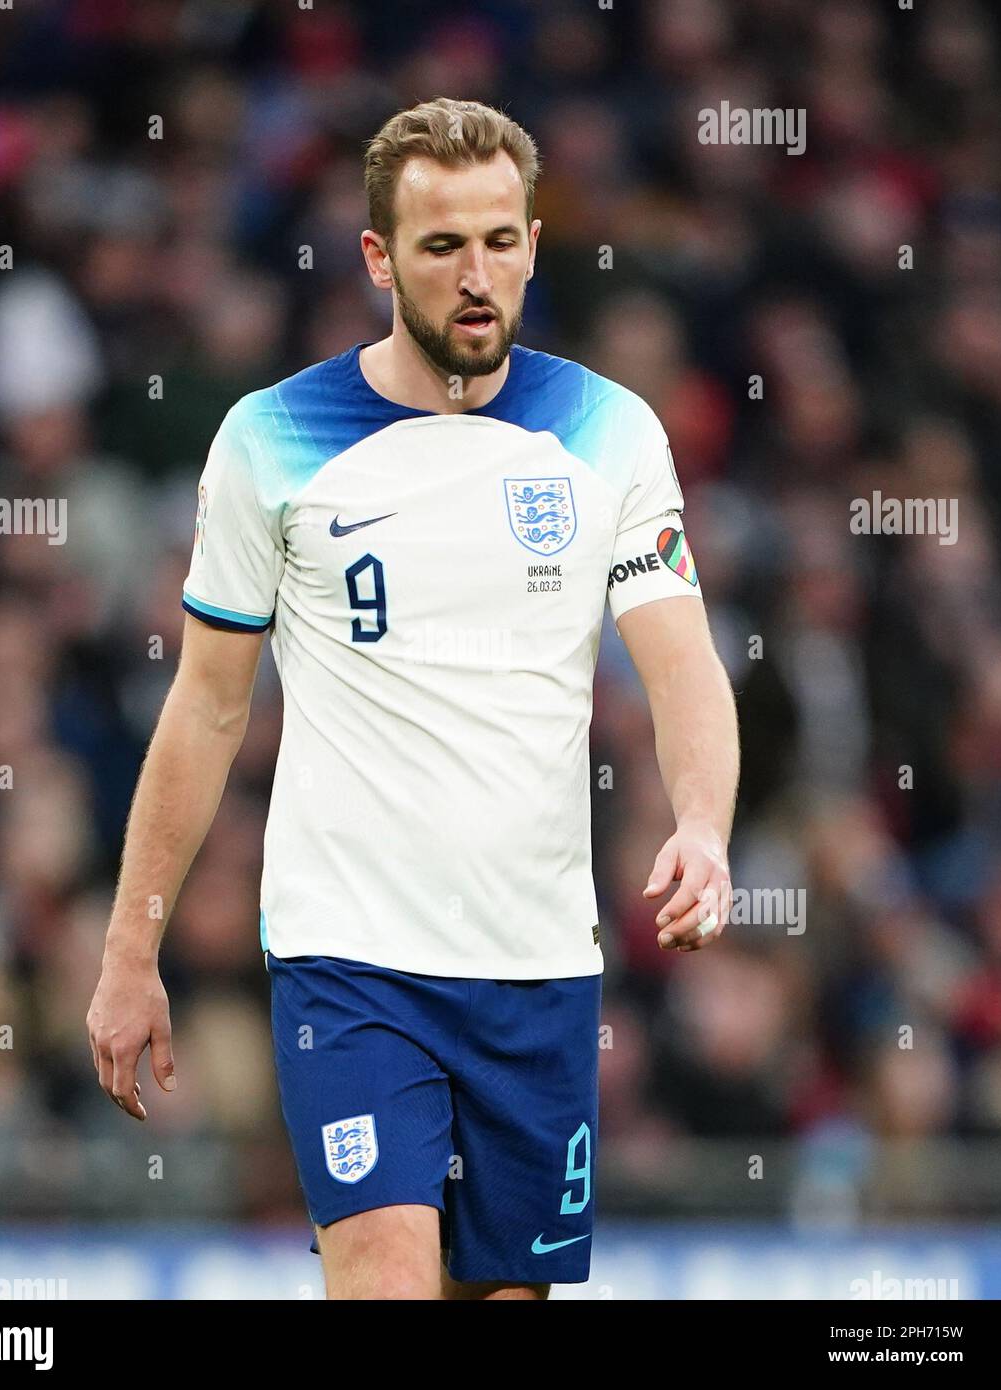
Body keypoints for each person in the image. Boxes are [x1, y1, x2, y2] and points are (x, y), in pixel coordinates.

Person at [87, 97, 739, 1301]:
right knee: (386, 1280)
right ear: (380, 259)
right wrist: (132, 948)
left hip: (537, 965)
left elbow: (680, 658)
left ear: (536, 243)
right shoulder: (270, 441)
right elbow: (207, 709)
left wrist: (700, 824)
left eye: (500, 240)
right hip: (351, 958)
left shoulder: (610, 432)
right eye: (442, 247)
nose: (477, 275)